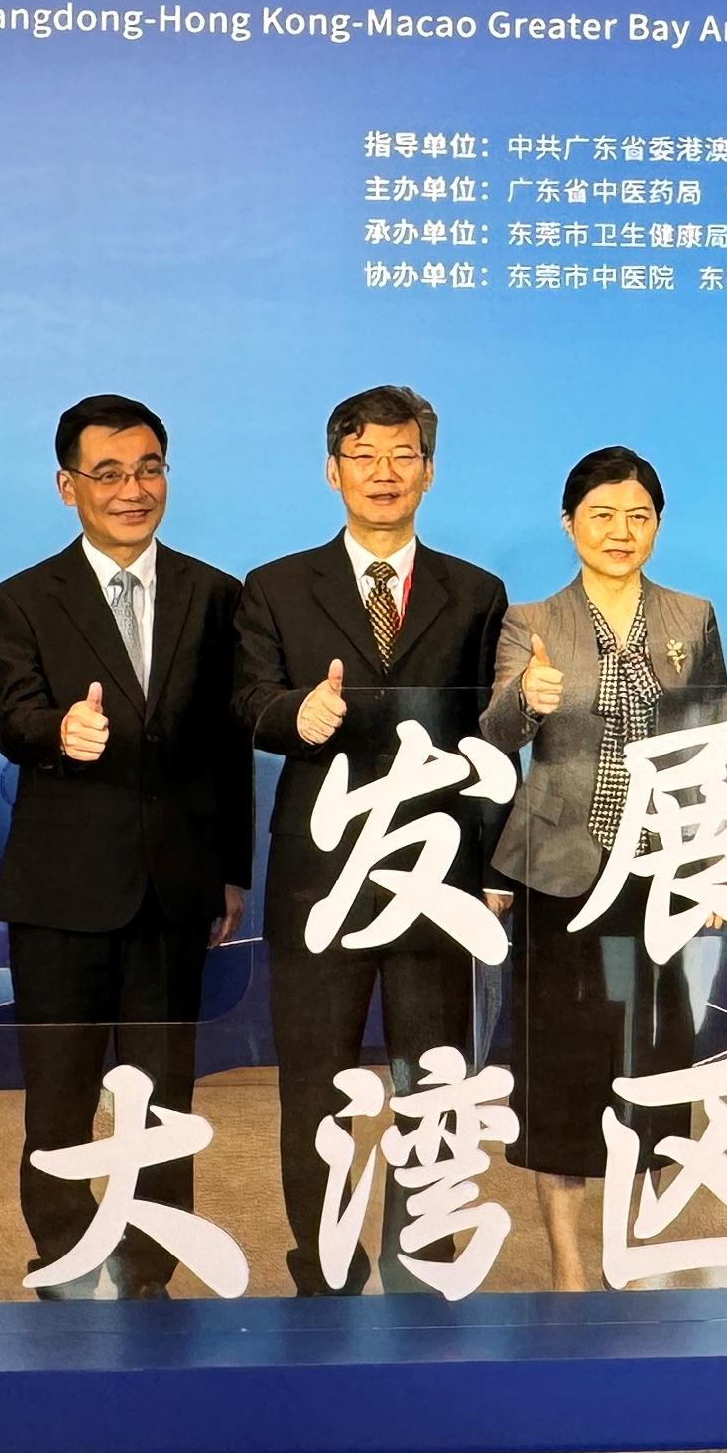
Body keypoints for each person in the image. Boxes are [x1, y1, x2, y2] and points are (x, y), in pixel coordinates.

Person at [235, 384, 511, 1295]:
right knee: (314, 1081)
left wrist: (491, 869)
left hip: (435, 874)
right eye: (364, 457)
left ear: (429, 472)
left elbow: (489, 742)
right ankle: (322, 1266)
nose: (383, 475)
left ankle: (423, 1254)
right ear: (332, 471)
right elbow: (246, 702)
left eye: (402, 457)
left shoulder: (475, 593)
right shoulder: (275, 586)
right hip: (322, 874)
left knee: (432, 1078)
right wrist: (294, 713)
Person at [0, 396, 251, 1300]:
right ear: (68, 487)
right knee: (58, 1095)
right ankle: (62, 1257)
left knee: (164, 1094)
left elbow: (229, 747)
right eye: (109, 474)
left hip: (175, 890)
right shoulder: (19, 598)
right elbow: (12, 718)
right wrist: (60, 731)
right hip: (61, 889)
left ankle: (147, 1270)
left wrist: (231, 871)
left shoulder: (217, 596)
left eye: (149, 469)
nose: (133, 490)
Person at [482, 447, 727, 1289]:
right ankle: (567, 1262)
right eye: (601, 515)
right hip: (558, 869)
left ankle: (638, 1247)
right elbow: (492, 739)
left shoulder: (691, 617)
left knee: (655, 1056)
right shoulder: (531, 621)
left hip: (660, 870)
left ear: (658, 526)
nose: (620, 532)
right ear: (569, 524)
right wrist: (528, 700)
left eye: (638, 516)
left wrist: (709, 867)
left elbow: (714, 745)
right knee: (560, 1061)